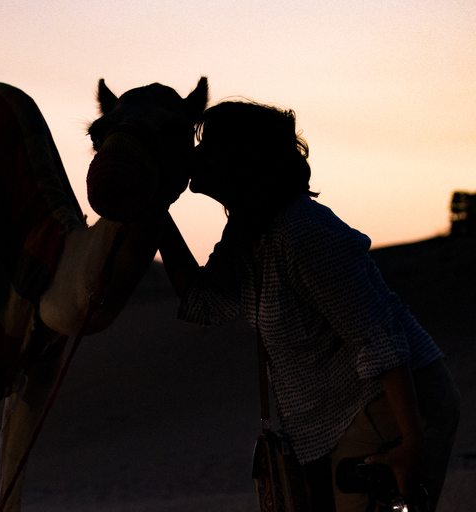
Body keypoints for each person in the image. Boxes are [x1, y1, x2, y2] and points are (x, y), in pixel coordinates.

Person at [159, 100, 460, 511]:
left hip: (390, 409)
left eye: (208, 147)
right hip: (339, 421)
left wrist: (412, 446)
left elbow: (379, 338)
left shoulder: (303, 232)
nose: (197, 157)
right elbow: (204, 302)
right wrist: (155, 214)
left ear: (240, 160)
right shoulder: (248, 233)